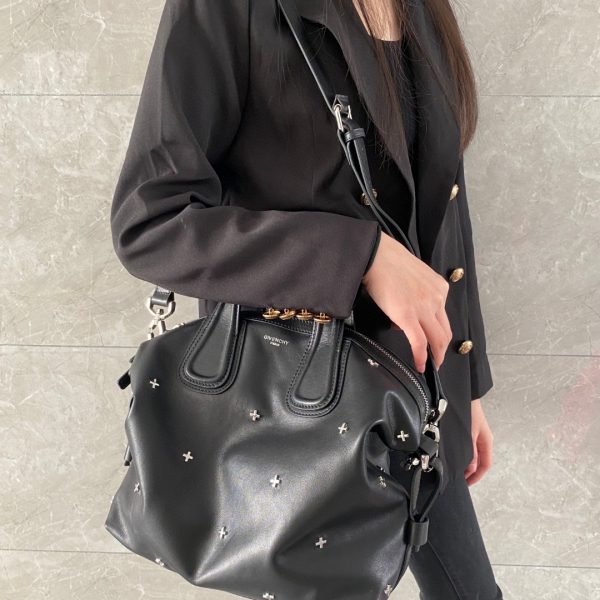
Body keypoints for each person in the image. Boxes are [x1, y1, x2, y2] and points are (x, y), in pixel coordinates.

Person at [110, 0, 503, 598]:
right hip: (294, 420)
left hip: (421, 394)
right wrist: (361, 256)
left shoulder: (423, 8)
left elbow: (446, 208)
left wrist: (465, 381)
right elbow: (152, 223)